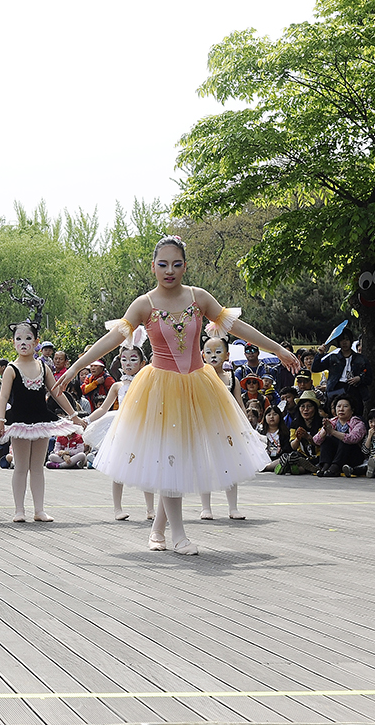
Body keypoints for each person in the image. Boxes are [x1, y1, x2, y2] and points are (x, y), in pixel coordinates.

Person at [56, 236, 295, 555]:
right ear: (153, 266)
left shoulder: (199, 298)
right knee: (172, 458)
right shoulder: (144, 304)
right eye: (163, 264)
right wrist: (75, 367)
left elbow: (238, 327)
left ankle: (157, 530)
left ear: (185, 266)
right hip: (161, 389)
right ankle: (178, 534)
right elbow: (112, 338)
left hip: (198, 385)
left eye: (177, 264)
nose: (170, 270)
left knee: (180, 459)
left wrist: (277, 348)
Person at [0, 280, 85, 523]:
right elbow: (3, 396)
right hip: (20, 421)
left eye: (28, 338)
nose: (23, 342)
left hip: (42, 420)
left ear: (36, 342)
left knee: (38, 466)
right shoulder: (11, 369)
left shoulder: (43, 367)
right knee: (21, 466)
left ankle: (39, 509)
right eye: (18, 338)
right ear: (13, 342)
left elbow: (57, 392)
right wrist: (0, 420)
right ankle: (19, 510)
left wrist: (74, 415)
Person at [82, 331, 155, 521]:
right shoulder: (117, 386)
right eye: (124, 359)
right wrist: (88, 420)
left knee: (146, 467)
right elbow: (104, 409)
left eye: (133, 359)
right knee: (118, 469)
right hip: (122, 428)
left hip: (143, 428)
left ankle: (150, 509)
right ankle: (117, 508)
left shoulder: (148, 383)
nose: (128, 363)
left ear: (142, 363)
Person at [197, 335, 246, 520]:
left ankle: (233, 507)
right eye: (209, 352)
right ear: (202, 355)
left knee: (230, 464)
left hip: (228, 426)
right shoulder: (199, 378)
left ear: (227, 355)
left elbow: (239, 403)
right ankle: (205, 507)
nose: (213, 356)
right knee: (205, 465)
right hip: (205, 425)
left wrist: (245, 424)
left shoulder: (232, 377)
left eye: (218, 352)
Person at [316, 396, 366, 476]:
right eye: (338, 406)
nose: (341, 409)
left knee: (345, 440)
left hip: (352, 456)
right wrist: (325, 431)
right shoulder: (332, 422)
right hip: (335, 456)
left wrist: (332, 431)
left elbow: (353, 439)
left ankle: (335, 468)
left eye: (345, 406)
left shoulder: (358, 423)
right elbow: (316, 441)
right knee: (327, 440)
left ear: (352, 410)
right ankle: (325, 466)